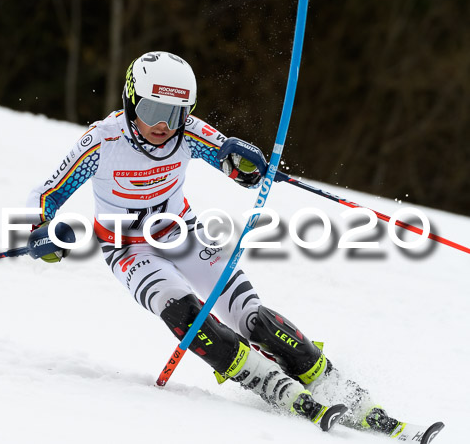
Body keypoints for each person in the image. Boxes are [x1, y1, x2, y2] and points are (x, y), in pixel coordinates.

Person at [26, 51, 397, 434]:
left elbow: (230, 160)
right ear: (131, 97)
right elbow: (46, 194)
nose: (161, 124)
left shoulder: (186, 132)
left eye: (174, 113)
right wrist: (41, 230)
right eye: (151, 108)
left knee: (251, 316)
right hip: (127, 250)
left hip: (182, 233)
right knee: (183, 312)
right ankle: (266, 380)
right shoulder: (102, 142)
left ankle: (331, 382)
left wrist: (247, 170)